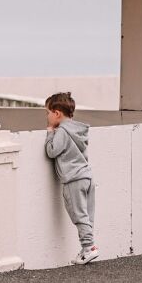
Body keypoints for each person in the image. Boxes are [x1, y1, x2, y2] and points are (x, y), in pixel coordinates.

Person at [44, 91, 99, 265]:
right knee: (87, 215)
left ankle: (89, 247)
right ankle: (87, 249)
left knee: (78, 215)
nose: (47, 116)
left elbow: (52, 151)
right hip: (86, 176)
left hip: (73, 178)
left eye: (48, 112)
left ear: (57, 113)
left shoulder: (61, 131)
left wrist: (50, 134)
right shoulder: (78, 130)